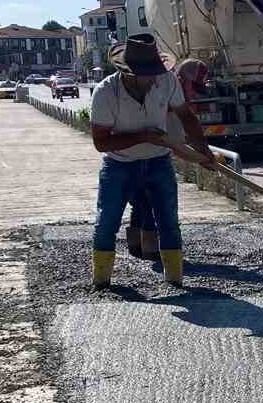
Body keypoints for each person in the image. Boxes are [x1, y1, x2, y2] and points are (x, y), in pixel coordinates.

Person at [87, 35, 215, 289]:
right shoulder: (106, 93)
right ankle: (101, 281)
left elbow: (186, 117)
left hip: (159, 163)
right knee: (107, 222)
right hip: (119, 166)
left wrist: (204, 152)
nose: (155, 78)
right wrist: (143, 136)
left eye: (157, 71)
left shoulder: (166, 80)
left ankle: (175, 280)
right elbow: (101, 142)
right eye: (149, 74)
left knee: (168, 221)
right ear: (129, 74)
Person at [126, 58, 209, 266]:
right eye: (193, 87)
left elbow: (179, 140)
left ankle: (137, 248)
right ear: (180, 79)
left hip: (146, 154)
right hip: (131, 155)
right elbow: (178, 147)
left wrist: (203, 153)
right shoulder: (162, 98)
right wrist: (203, 159)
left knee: (142, 201)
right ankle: (152, 253)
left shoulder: (172, 97)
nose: (194, 94)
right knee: (150, 201)